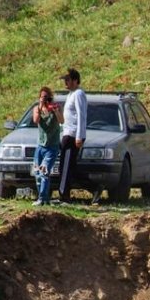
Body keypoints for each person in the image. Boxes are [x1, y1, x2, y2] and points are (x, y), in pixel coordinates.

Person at [57, 68, 87, 203]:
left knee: (65, 166)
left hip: (73, 135)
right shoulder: (70, 95)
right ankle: (94, 187)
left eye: (68, 80)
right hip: (67, 133)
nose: (66, 83)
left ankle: (64, 195)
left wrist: (79, 136)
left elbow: (81, 115)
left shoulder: (79, 94)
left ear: (75, 80)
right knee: (68, 166)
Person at [29, 86, 61, 207]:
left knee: (45, 172)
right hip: (40, 146)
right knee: (38, 172)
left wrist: (56, 110)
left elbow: (61, 120)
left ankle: (43, 198)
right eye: (43, 97)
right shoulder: (37, 108)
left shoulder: (55, 108)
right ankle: (43, 198)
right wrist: (41, 105)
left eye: (47, 97)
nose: (45, 99)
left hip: (52, 146)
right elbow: (36, 120)